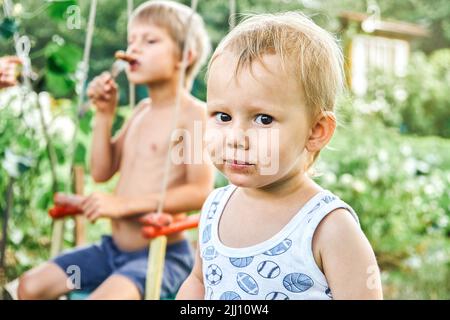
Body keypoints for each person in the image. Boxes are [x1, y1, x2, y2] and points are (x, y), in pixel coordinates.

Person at [177, 12, 383, 300]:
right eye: (223, 116)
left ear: (316, 131)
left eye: (263, 119)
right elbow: (199, 281)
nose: (236, 138)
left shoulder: (328, 228)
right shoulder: (214, 209)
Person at [18, 0, 214, 300]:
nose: (134, 48)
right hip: (110, 250)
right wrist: (104, 115)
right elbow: (101, 171)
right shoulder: (140, 111)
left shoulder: (194, 116)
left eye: (149, 41)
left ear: (185, 56)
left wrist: (124, 205)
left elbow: (199, 192)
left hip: (160, 256)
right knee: (29, 286)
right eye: (131, 40)